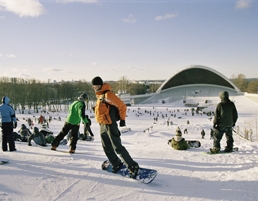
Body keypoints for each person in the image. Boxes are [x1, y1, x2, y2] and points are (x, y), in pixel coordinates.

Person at [91, 76, 139, 178]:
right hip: (102, 125)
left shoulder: (108, 94)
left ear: (100, 85)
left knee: (117, 147)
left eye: (95, 85)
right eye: (93, 86)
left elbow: (122, 106)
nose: (94, 88)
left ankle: (132, 166)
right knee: (107, 147)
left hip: (110, 125)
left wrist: (122, 120)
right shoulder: (99, 96)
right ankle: (116, 163)